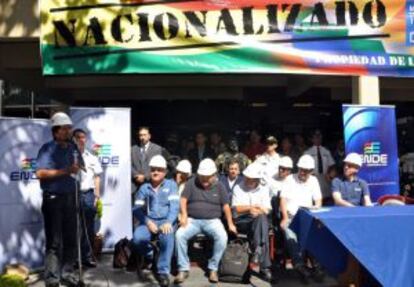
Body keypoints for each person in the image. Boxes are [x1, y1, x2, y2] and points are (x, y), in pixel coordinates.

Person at [35, 112, 83, 287]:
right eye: (65, 129)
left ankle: (67, 273)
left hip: (70, 197)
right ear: (56, 131)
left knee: (71, 237)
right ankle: (52, 278)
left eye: (69, 128)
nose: (68, 131)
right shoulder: (47, 149)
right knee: (54, 241)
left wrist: (80, 148)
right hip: (53, 199)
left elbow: (80, 167)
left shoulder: (72, 148)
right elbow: (39, 173)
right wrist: (66, 171)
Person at [175, 158, 237, 284]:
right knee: (179, 235)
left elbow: (226, 206)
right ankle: (183, 268)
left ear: (214, 175)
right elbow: (183, 199)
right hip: (192, 220)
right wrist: (184, 215)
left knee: (222, 236)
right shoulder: (191, 183)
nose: (205, 180)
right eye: (202, 177)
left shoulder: (220, 186)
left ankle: (213, 268)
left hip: (213, 220)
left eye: (208, 177)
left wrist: (230, 223)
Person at [132, 155, 179, 287]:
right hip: (149, 221)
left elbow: (175, 207)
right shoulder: (144, 188)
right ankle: (151, 255)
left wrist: (169, 222)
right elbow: (136, 209)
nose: (156, 172)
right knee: (137, 239)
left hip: (166, 220)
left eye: (159, 170)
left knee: (167, 238)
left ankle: (163, 272)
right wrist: (147, 222)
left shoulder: (171, 185)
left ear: (164, 172)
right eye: (153, 169)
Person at [279, 154, 323, 283]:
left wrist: (316, 212)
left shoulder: (314, 180)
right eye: (301, 169)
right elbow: (283, 199)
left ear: (311, 171)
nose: (303, 172)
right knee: (290, 235)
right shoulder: (289, 179)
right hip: (291, 216)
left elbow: (318, 200)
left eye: (306, 170)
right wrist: (285, 217)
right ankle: (300, 266)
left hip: (307, 216)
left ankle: (316, 266)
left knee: (313, 234)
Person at [231, 163, 273, 281]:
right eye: (247, 178)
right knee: (262, 226)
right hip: (242, 219)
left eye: (251, 179)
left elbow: (267, 209)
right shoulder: (238, 187)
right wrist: (250, 208)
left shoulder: (264, 189)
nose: (247, 180)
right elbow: (235, 208)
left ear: (257, 180)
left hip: (259, 218)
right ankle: (264, 266)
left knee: (261, 219)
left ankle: (257, 251)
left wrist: (259, 210)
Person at [73, 128, 103, 268]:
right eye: (78, 137)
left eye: (83, 137)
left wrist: (97, 195)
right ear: (73, 139)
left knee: (88, 228)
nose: (81, 139)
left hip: (88, 194)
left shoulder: (91, 157)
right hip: (72, 194)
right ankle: (73, 259)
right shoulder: (68, 156)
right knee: (72, 227)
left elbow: (97, 177)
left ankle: (86, 257)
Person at [305, 130, 335, 205]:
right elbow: (304, 166)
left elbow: (332, 165)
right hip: (313, 177)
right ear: (312, 139)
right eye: (316, 137)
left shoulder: (326, 151)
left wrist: (330, 174)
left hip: (325, 177)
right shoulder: (307, 152)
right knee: (314, 197)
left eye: (319, 137)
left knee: (325, 197)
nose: (318, 139)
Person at [131, 127, 163, 192]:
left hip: (150, 184)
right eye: (140, 135)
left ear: (149, 136)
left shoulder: (157, 149)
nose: (142, 137)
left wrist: (145, 176)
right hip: (135, 185)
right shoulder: (133, 149)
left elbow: (158, 166)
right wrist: (136, 175)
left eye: (144, 135)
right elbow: (129, 165)